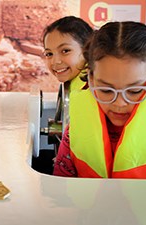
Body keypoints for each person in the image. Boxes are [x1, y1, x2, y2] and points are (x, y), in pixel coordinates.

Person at [53, 21, 146, 179]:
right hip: (87, 205)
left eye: (134, 91)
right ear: (90, 78)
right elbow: (60, 182)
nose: (119, 103)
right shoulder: (78, 123)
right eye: (106, 90)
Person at [34, 16, 93, 174]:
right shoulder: (75, 84)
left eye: (65, 51)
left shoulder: (91, 88)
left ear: (87, 51)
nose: (55, 62)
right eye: (49, 54)